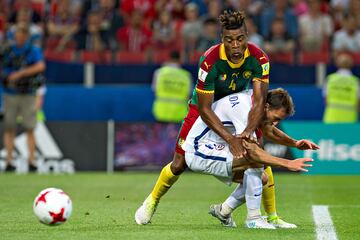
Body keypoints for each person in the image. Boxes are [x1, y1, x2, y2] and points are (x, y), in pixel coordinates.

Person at [135, 10, 287, 226]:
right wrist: (231, 139)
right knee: (179, 164)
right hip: (202, 111)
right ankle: (152, 201)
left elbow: (259, 101)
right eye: (229, 40)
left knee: (257, 154)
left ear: (247, 37)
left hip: (238, 109)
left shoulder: (260, 58)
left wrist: (247, 133)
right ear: (222, 40)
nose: (235, 45)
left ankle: (270, 216)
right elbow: (206, 110)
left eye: (240, 39)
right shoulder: (210, 61)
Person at [182, 88, 314, 228]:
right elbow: (253, 153)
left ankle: (223, 210)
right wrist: (287, 163)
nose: (275, 123)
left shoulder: (257, 102)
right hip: (199, 150)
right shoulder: (244, 111)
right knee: (254, 159)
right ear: (267, 107)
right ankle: (253, 219)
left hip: (216, 145)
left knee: (261, 178)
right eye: (276, 119)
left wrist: (294, 143)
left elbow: (268, 129)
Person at [0, 24, 46, 172]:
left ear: (26, 36)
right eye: (17, 34)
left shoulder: (32, 50)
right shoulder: (7, 50)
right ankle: (9, 161)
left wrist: (20, 74)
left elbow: (40, 66)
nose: (19, 38)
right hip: (10, 92)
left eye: (22, 35)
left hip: (28, 93)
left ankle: (32, 161)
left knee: (29, 127)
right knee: (9, 127)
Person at [152, 51, 193, 123]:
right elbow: (189, 94)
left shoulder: (159, 73)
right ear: (180, 60)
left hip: (161, 113)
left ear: (169, 59)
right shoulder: (186, 75)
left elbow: (154, 90)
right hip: (180, 114)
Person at [323, 53, 359, 123]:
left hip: (331, 117)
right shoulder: (355, 81)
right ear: (351, 64)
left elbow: (326, 100)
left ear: (337, 64)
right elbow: (358, 102)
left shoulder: (330, 79)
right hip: (350, 118)